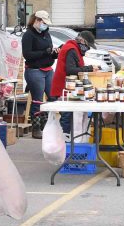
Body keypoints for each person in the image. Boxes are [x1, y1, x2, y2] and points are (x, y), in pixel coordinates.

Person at [50, 30, 99, 134]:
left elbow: (77, 67)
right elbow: (70, 70)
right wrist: (89, 68)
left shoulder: (75, 49)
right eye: (88, 45)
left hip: (69, 88)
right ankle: (66, 143)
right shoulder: (71, 49)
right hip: (64, 88)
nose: (88, 48)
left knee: (68, 117)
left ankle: (67, 142)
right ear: (82, 41)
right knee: (67, 118)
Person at [21, 10, 58, 138]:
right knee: (37, 100)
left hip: (48, 70)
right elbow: (27, 54)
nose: (45, 26)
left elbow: (49, 51)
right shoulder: (28, 35)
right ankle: (36, 129)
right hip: (35, 71)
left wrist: (54, 53)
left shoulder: (46, 34)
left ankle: (46, 126)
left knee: (53, 98)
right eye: (44, 23)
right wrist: (45, 52)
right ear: (36, 20)